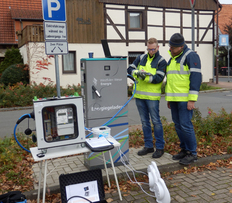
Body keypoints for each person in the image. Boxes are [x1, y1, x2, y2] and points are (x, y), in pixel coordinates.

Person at [165, 33, 202, 165]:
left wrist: (192, 99)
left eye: (173, 48)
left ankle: (192, 153)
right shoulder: (173, 58)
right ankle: (184, 150)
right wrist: (169, 98)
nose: (170, 49)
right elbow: (171, 80)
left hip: (185, 99)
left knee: (186, 126)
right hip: (174, 99)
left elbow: (196, 78)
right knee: (178, 126)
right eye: (170, 47)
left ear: (181, 47)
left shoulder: (191, 56)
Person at [127, 38, 167, 158]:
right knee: (145, 122)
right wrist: (137, 73)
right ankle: (148, 146)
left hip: (152, 97)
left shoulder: (161, 61)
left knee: (156, 122)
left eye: (153, 49)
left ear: (158, 48)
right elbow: (129, 69)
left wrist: (143, 76)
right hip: (139, 95)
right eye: (149, 49)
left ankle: (160, 147)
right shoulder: (141, 58)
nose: (151, 51)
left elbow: (158, 78)